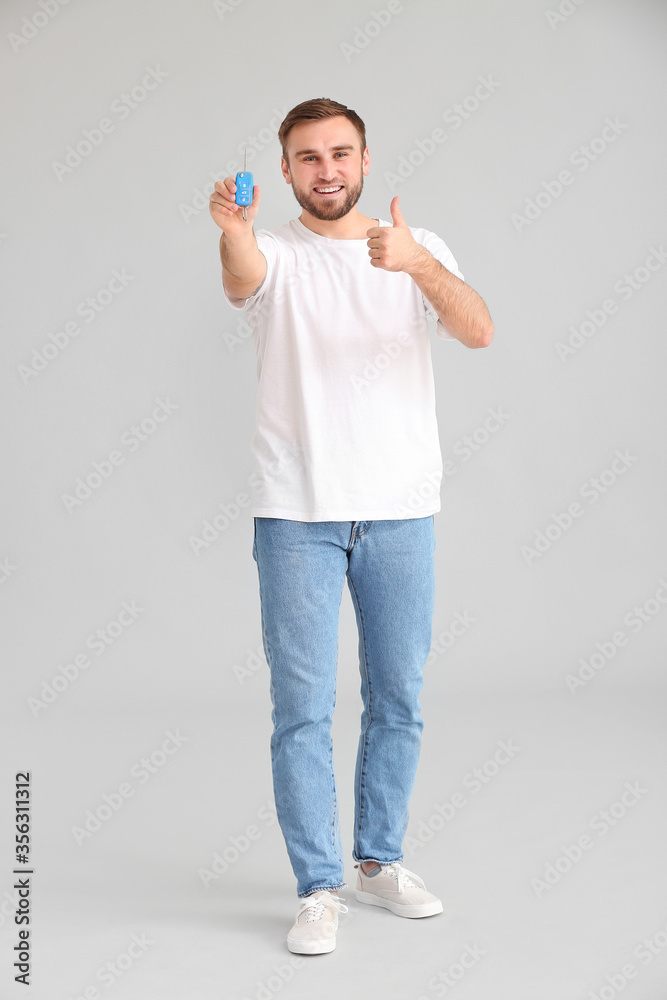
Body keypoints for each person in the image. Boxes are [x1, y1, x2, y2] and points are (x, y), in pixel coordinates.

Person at [209, 97, 493, 955]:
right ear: (287, 169)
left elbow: (477, 330)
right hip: (295, 512)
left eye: (339, 153)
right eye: (307, 157)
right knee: (300, 708)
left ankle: (377, 863)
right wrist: (232, 227)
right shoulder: (276, 254)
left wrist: (413, 265)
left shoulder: (416, 246)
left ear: (364, 160)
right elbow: (239, 281)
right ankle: (317, 887)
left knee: (397, 699)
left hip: (400, 510)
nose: (325, 169)